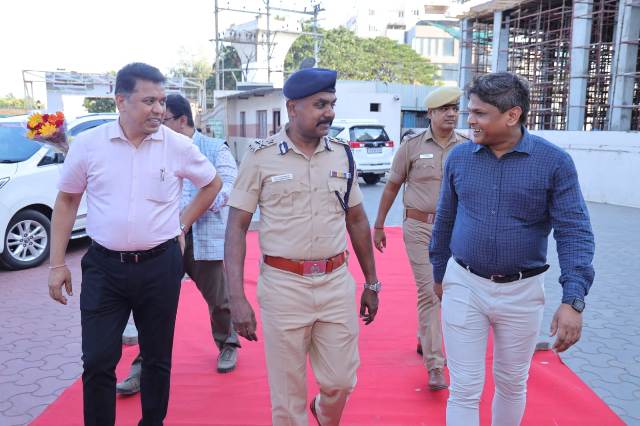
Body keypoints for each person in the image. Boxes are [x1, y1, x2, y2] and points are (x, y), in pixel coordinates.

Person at [47, 62, 222, 426]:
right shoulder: (90, 146)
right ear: (120, 101)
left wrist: (182, 223)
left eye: (161, 101)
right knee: (97, 359)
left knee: (157, 358)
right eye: (149, 101)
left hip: (160, 266)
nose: (159, 109)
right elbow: (67, 201)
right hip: (104, 268)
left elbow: (212, 183)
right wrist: (57, 263)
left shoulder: (177, 146)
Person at [429, 72, 595, 426]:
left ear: (512, 115)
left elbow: (574, 232)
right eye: (469, 111)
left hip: (522, 292)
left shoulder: (554, 163)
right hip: (464, 284)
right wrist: (439, 273)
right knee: (464, 387)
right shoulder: (459, 159)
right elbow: (444, 221)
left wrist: (573, 300)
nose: (469, 120)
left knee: (511, 382)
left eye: (479, 113)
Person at [224, 67, 381, 426]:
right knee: (287, 394)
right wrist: (236, 298)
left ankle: (325, 414)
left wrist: (371, 281)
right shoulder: (260, 156)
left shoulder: (343, 154)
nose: (329, 112)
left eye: (332, 104)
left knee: (341, 381)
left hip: (335, 284)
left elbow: (356, 220)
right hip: (283, 287)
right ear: (292, 108)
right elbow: (236, 227)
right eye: (320, 104)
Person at [116, 93, 240, 395]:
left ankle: (228, 344)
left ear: (182, 120)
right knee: (152, 306)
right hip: (160, 242)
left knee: (219, 299)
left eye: (164, 117)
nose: (156, 121)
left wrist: (187, 217)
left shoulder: (214, 149)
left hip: (201, 237)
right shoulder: (151, 149)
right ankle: (143, 365)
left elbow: (227, 190)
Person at [373, 86, 468, 391]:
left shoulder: (467, 146)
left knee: (449, 290)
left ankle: (423, 338)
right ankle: (435, 365)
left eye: (454, 108)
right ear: (430, 113)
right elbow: (391, 187)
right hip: (418, 228)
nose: (451, 113)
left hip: (454, 229)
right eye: (444, 109)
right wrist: (379, 225)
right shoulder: (411, 147)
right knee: (430, 291)